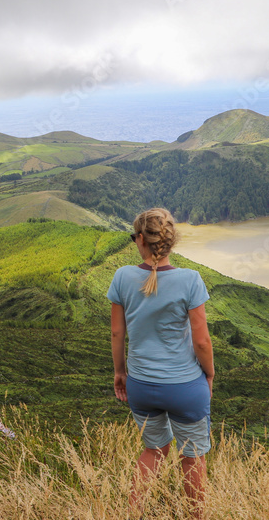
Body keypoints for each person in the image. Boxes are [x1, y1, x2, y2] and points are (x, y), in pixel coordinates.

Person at [107, 207, 214, 519]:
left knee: (154, 451)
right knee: (192, 458)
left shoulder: (123, 277)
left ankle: (133, 512)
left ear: (140, 240)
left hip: (141, 385)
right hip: (184, 386)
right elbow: (202, 341)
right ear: (170, 241)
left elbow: (117, 332)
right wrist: (209, 374)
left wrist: (120, 372)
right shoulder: (190, 280)